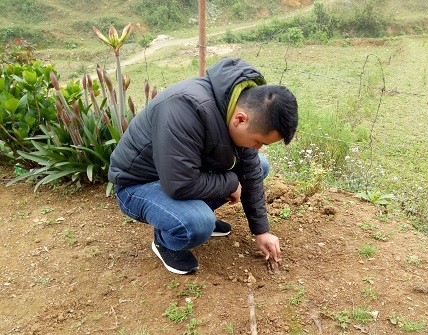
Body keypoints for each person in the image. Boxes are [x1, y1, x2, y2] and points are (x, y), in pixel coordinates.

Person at [108, 58, 299, 275]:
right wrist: (229, 183)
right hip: (138, 184)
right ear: (240, 119)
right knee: (197, 223)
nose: (258, 148)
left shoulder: (237, 104)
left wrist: (261, 231)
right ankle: (166, 241)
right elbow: (180, 185)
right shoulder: (183, 108)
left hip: (178, 173)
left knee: (259, 166)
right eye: (259, 142)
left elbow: (250, 169)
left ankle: (194, 211)